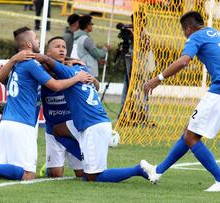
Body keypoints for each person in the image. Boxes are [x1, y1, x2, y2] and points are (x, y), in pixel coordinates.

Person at [0, 27, 92, 181]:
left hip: (7, 123)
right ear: (30, 44)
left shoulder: (17, 63)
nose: (39, 41)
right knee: (28, 174)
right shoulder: (31, 64)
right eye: (36, 39)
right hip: (23, 124)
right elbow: (55, 85)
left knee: (1, 173)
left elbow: (4, 80)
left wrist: (10, 62)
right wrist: (77, 77)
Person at [143, 11, 220, 192]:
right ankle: (158, 171)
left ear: (188, 28)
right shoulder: (218, 34)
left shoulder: (196, 36)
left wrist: (158, 78)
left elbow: (184, 61)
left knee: (191, 136)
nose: (184, 35)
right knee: (189, 131)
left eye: (183, 31)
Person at [26, 42, 148, 183]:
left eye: (64, 47)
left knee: (90, 176)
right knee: (57, 139)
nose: (61, 49)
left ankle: (137, 170)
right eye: (57, 46)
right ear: (48, 51)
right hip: (75, 123)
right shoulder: (73, 69)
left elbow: (92, 84)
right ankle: (78, 159)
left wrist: (25, 55)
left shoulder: (68, 70)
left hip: (85, 123)